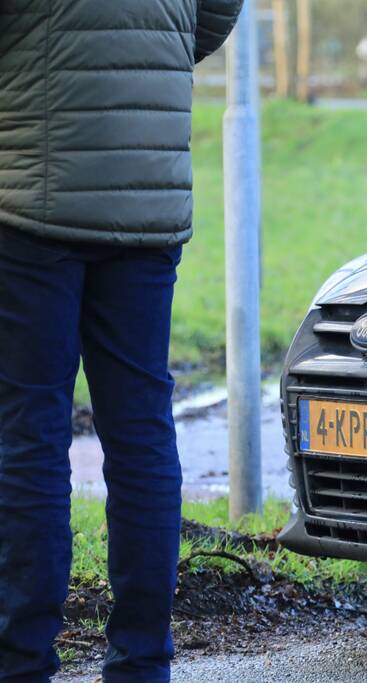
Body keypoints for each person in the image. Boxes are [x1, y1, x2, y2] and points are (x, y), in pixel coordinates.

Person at [0, 1, 245, 680]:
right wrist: (145, 56)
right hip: (147, 194)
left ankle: (20, 657)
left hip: (32, 188)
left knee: (30, 429)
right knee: (140, 427)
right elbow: (217, 11)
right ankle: (143, 658)